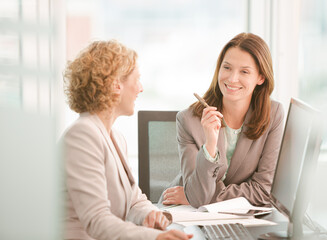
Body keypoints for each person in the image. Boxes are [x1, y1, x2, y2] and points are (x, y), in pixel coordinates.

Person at [62, 40, 192, 240]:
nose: (140, 88)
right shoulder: (82, 135)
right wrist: (155, 237)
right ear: (116, 85)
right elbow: (97, 220)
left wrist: (151, 214)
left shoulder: (116, 138)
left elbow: (134, 201)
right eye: (136, 79)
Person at [161, 33, 285, 208]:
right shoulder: (188, 120)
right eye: (227, 68)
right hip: (185, 210)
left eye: (244, 71)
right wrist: (210, 146)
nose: (232, 78)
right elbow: (197, 198)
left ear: (261, 77)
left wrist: (207, 196)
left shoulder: (273, 114)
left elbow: (262, 192)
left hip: (233, 214)